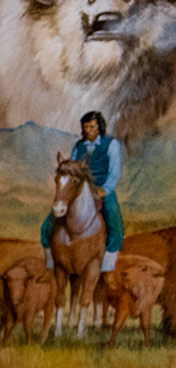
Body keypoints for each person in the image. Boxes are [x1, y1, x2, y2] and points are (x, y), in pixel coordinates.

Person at [42, 109, 125, 271]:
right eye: (86, 128)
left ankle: (107, 266)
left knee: (116, 224)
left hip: (102, 189)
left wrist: (105, 190)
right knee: (47, 225)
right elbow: (72, 168)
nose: (89, 131)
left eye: (92, 127)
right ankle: (50, 263)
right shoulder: (79, 146)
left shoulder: (111, 144)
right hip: (79, 190)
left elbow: (114, 173)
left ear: (100, 127)